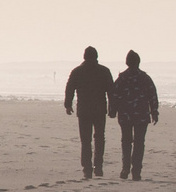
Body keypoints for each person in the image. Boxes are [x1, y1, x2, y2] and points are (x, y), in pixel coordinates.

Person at [64, 46, 116, 179]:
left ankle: (87, 169)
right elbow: (111, 91)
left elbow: (69, 88)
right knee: (99, 138)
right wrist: (112, 108)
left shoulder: (77, 71)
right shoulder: (104, 71)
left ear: (84, 57)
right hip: (99, 109)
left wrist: (68, 105)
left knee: (85, 140)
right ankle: (98, 167)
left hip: (84, 110)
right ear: (96, 57)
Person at [114, 50, 159, 181]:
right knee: (139, 143)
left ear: (127, 62)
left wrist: (112, 110)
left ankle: (125, 168)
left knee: (126, 142)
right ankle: (136, 171)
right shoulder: (145, 78)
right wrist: (154, 112)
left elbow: (114, 95)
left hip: (125, 115)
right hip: (141, 116)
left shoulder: (122, 78)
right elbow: (153, 96)